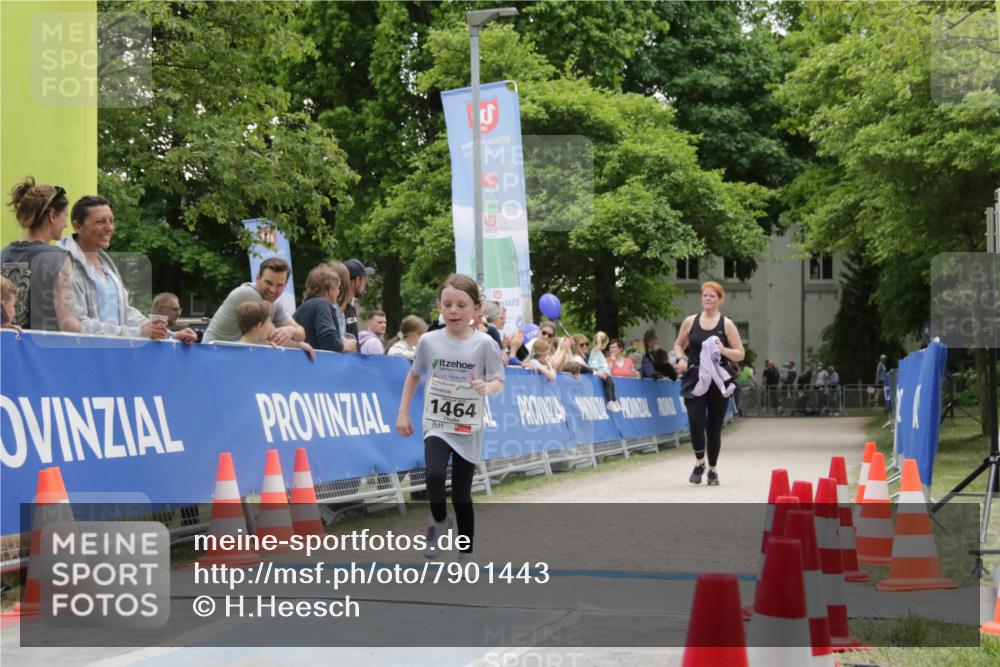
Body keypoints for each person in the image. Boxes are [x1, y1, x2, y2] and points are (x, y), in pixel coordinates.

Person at [396, 274, 504, 564]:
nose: (454, 310)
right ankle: (440, 520)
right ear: (439, 307)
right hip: (437, 422)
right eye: (447, 304)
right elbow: (414, 374)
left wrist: (486, 387)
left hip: (468, 426)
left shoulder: (484, 344)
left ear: (476, 310)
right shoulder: (429, 341)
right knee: (432, 475)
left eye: (461, 305)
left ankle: (467, 550)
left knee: (461, 493)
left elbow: (498, 380)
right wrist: (403, 411)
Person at [59, 196, 197, 342]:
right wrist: (137, 333)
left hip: (113, 355)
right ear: (77, 226)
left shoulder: (107, 264)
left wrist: (169, 334)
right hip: (83, 356)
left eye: (111, 221)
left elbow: (125, 312)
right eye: (100, 222)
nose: (109, 228)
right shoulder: (63, 264)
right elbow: (77, 324)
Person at [672, 281, 745, 486]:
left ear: (719, 299)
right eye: (705, 295)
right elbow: (678, 344)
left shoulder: (726, 324)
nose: (707, 298)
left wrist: (723, 350)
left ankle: (712, 470)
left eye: (712, 296)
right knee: (696, 423)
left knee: (713, 428)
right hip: (695, 378)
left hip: (718, 380)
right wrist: (681, 359)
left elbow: (740, 353)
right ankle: (699, 462)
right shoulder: (690, 321)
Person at [2, 178, 79, 332]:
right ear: (52, 216)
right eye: (65, 216)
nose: (65, 224)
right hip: (42, 352)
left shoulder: (2, 254)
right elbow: (69, 323)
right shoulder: (59, 259)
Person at [203, 256, 304, 346]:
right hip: (214, 354)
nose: (273, 290)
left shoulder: (275, 302)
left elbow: (301, 333)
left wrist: (291, 330)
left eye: (279, 285)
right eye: (268, 282)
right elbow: (274, 338)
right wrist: (301, 346)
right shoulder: (247, 294)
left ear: (285, 285)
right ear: (258, 278)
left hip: (236, 356)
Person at [236, 299, 315, 361]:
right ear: (260, 326)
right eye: (269, 322)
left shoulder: (233, 349)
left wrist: (300, 345)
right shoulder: (262, 350)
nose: (271, 326)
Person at [292, 264, 345, 352]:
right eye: (337, 288)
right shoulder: (323, 304)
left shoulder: (301, 308)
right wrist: (345, 345)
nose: (338, 292)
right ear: (330, 290)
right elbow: (329, 342)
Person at [343, 258, 375, 340]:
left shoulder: (351, 308)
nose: (366, 284)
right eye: (365, 279)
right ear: (357, 280)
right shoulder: (336, 309)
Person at [589, 331, 621, 411]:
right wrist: (598, 372)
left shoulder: (598, 352)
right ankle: (610, 401)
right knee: (609, 384)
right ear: (604, 343)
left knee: (612, 384)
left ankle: (614, 400)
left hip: (605, 373)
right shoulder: (595, 352)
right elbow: (593, 365)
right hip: (602, 374)